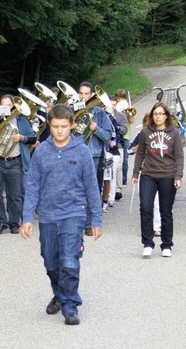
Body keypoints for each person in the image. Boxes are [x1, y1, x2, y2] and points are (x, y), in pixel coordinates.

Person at [20, 104, 103, 326]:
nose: (59, 131)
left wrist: (96, 219)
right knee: (50, 262)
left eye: (64, 126)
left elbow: (92, 187)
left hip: (73, 213)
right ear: (49, 125)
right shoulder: (41, 151)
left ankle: (70, 306)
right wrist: (27, 217)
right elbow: (33, 185)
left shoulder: (82, 151)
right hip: (47, 215)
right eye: (55, 126)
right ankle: (59, 292)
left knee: (69, 260)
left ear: (72, 125)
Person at [132, 102, 184, 258]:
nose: (158, 116)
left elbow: (179, 156)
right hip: (148, 174)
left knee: (165, 211)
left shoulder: (174, 133)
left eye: (161, 114)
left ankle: (166, 245)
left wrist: (178, 176)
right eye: (155, 114)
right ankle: (147, 243)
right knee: (146, 208)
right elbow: (140, 153)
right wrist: (135, 174)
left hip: (168, 175)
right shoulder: (145, 133)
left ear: (166, 116)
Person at [0, 94, 36, 235]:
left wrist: (22, 137)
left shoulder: (21, 120)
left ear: (13, 106)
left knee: (15, 195)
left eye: (8, 105)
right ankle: (1, 222)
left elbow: (33, 138)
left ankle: (13, 223)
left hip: (15, 161)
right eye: (2, 105)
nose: (5, 108)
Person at [76, 82, 113, 236]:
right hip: (75, 154)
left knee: (92, 190)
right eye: (81, 93)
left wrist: (96, 129)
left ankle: (90, 224)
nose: (83, 96)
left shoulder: (99, 113)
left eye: (86, 94)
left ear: (92, 95)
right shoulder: (73, 111)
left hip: (93, 155)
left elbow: (108, 136)